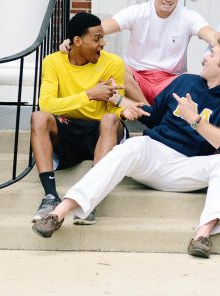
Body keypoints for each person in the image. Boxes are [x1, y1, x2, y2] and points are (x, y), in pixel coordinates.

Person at [31, 38, 220, 259]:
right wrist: (119, 100)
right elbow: (154, 115)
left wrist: (196, 121)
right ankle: (58, 214)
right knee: (131, 146)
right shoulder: (186, 82)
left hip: (187, 167)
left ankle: (203, 235)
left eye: (211, 54)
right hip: (154, 154)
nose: (204, 57)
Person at [30, 13, 145, 225]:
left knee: (110, 119)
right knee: (39, 117)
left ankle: (90, 197)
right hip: (68, 128)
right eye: (97, 38)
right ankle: (50, 196)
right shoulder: (53, 62)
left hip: (100, 131)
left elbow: (112, 107)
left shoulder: (113, 63)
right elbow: (46, 104)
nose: (102, 44)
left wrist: (123, 112)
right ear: (77, 41)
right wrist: (89, 95)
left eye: (103, 38)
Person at [62, 0, 220, 104]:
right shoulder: (138, 12)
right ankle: (148, 111)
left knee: (192, 80)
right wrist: (75, 38)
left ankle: (152, 113)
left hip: (169, 81)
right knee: (115, 65)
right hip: (135, 80)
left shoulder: (188, 16)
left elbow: (209, 34)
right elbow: (103, 27)